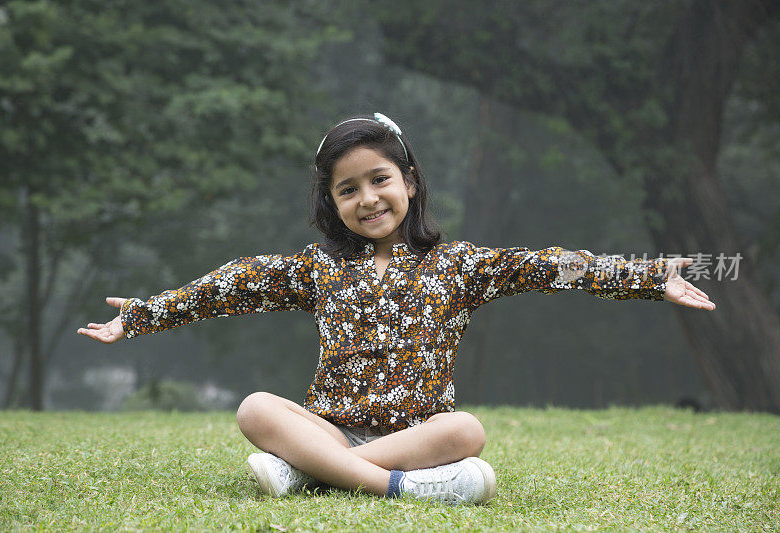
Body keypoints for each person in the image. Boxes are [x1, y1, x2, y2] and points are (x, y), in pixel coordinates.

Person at [78, 112, 715, 505]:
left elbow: (548, 265)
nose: (369, 199)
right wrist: (143, 314)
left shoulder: (457, 264)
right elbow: (233, 283)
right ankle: (383, 485)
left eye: (380, 179)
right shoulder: (320, 269)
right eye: (348, 190)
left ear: (408, 181)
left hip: (419, 441)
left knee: (467, 430)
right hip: (333, 426)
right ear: (334, 205)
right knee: (254, 408)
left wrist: (646, 276)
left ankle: (313, 475)